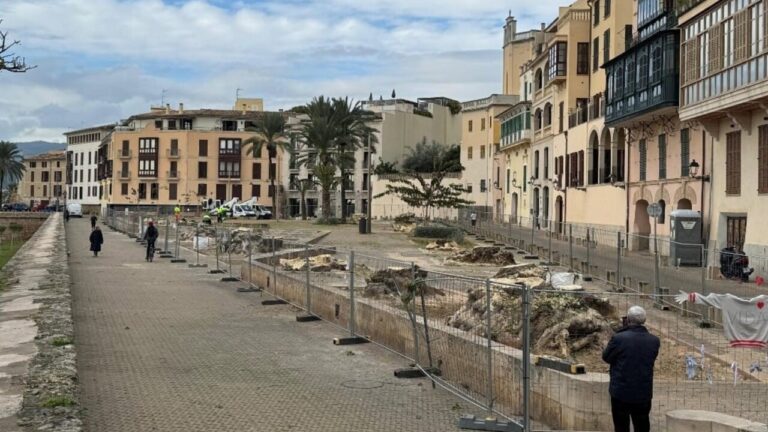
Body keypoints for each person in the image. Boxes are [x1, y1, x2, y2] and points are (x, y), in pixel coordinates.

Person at [602, 306, 660, 432]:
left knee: (621, 426)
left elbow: (606, 357)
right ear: (644, 320)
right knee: (642, 425)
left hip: (621, 391)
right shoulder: (654, 341)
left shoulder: (619, 338)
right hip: (643, 392)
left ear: (628, 320)